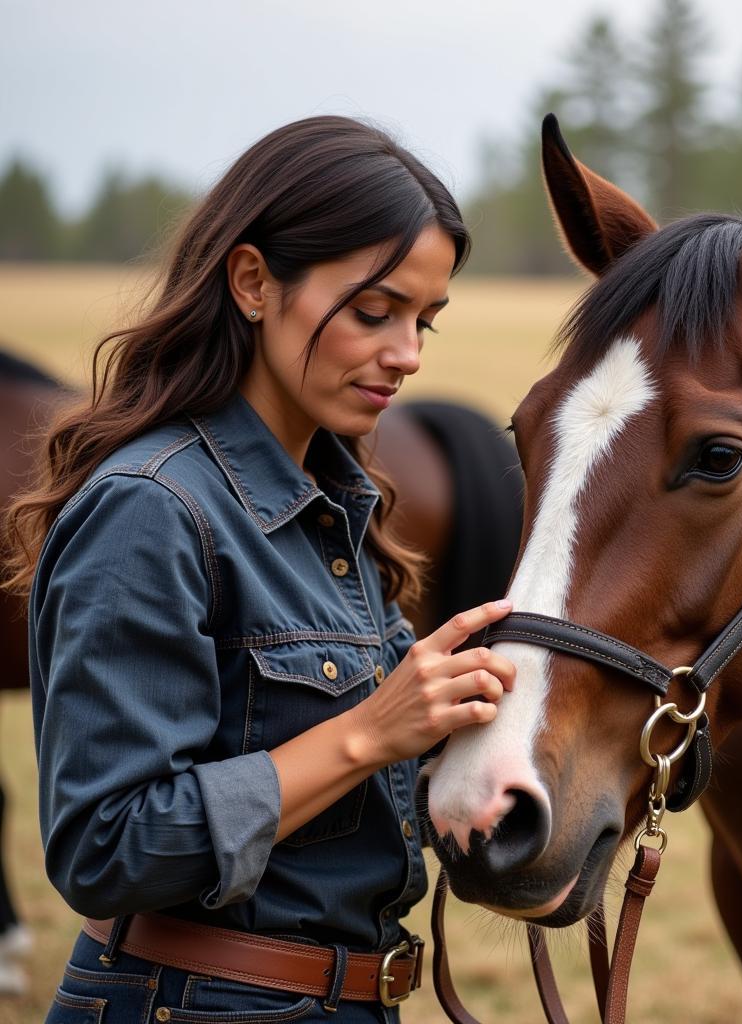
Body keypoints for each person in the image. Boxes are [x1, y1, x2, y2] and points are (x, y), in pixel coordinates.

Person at [4, 115, 516, 1022]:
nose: (407, 355)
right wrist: (369, 731)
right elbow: (102, 848)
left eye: (424, 321)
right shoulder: (151, 509)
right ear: (252, 282)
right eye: (374, 311)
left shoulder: (338, 505)